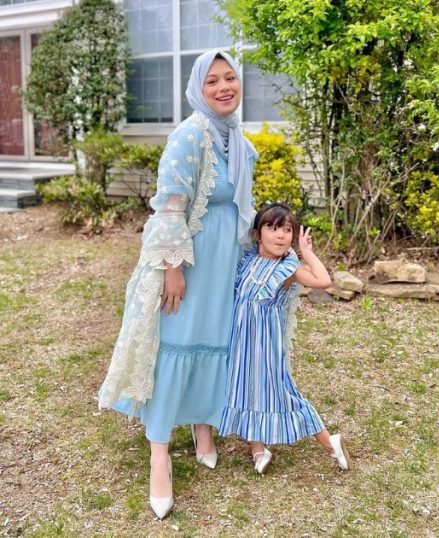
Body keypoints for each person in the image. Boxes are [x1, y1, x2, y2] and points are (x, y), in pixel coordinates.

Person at [97, 50, 258, 519]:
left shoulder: (239, 140)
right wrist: (172, 267)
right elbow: (169, 206)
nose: (225, 87)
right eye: (213, 81)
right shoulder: (189, 136)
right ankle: (159, 457)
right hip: (190, 262)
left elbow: (244, 209)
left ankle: (203, 426)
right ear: (197, 88)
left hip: (225, 262)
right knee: (178, 342)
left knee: (215, 342)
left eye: (231, 78)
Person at [217, 203, 351, 474]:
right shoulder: (247, 261)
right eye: (273, 228)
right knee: (247, 389)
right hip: (241, 344)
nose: (280, 235)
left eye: (287, 230)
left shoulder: (288, 269)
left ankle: (330, 442)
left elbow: (323, 280)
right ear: (258, 234)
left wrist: (307, 252)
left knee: (282, 391)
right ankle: (258, 447)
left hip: (266, 346)